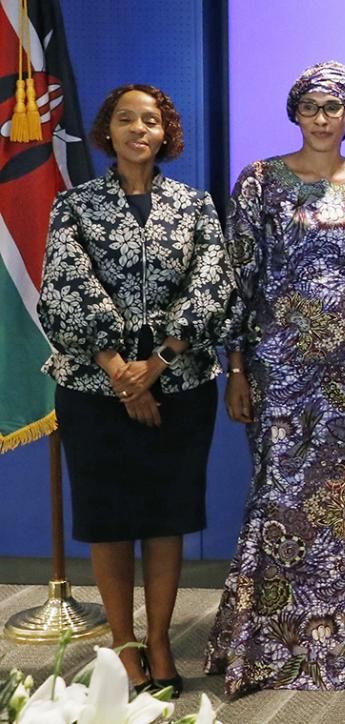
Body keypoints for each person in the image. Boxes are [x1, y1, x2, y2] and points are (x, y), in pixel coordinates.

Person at [204, 61, 345, 696]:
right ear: (295, 113)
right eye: (311, 107)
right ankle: (268, 644)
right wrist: (236, 366)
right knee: (279, 493)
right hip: (278, 367)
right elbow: (238, 276)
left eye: (333, 107)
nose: (322, 118)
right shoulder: (259, 180)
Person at [38, 84, 233, 697]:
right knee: (110, 519)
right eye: (126, 119)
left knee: (166, 516)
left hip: (180, 386)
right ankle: (125, 645)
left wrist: (159, 362)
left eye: (150, 120)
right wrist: (122, 371)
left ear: (165, 133)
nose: (138, 129)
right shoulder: (74, 206)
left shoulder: (195, 206)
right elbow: (64, 288)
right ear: (109, 131)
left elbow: (213, 286)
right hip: (94, 390)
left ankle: (160, 639)